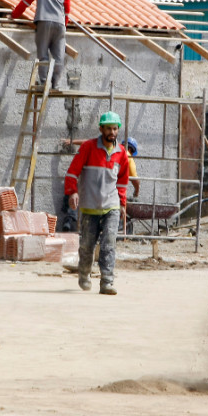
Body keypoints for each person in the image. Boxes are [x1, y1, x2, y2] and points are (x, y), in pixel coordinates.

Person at [64, 111, 129, 296]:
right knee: (87, 245)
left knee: (109, 244)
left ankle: (107, 282)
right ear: (101, 129)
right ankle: (84, 274)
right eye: (108, 128)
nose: (112, 132)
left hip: (111, 206)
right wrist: (72, 192)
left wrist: (122, 204)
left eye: (115, 128)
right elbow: (72, 172)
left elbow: (123, 182)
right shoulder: (88, 148)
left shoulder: (121, 153)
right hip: (89, 206)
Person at [10, 0, 70, 90]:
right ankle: (55, 84)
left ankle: (44, 83)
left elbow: (26, 2)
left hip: (43, 21)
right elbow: (67, 12)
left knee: (43, 54)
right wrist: (64, 26)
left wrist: (14, 15)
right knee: (59, 56)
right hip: (60, 24)